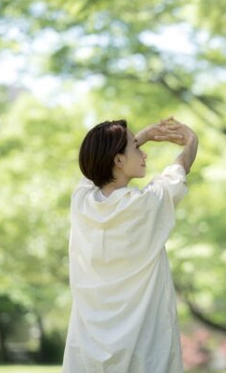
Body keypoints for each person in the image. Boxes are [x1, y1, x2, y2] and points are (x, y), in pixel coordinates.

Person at [61, 117, 198, 373]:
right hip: (141, 348)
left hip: (89, 348)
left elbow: (92, 172)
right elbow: (178, 172)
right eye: (135, 147)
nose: (143, 152)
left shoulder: (81, 203)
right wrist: (191, 141)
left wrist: (141, 136)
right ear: (119, 160)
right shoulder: (143, 206)